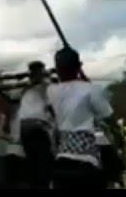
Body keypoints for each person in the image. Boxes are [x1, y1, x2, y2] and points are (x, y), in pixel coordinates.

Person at [47, 46, 113, 189]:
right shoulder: (90, 89)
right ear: (78, 66)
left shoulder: (51, 91)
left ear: (57, 69)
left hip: (62, 157)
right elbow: (106, 113)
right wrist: (86, 82)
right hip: (87, 159)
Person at [18, 61, 54, 188]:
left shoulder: (25, 89)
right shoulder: (45, 87)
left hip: (24, 127)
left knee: (33, 162)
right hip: (38, 127)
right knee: (43, 163)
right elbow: (51, 108)